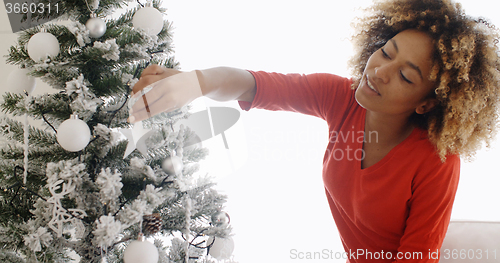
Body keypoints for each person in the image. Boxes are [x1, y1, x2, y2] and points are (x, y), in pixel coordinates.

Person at [128, 0, 500, 262]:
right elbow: (253, 84)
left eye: (405, 76)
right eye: (386, 52)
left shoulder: (437, 161)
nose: (380, 71)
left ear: (426, 103)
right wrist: (196, 82)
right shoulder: (341, 96)